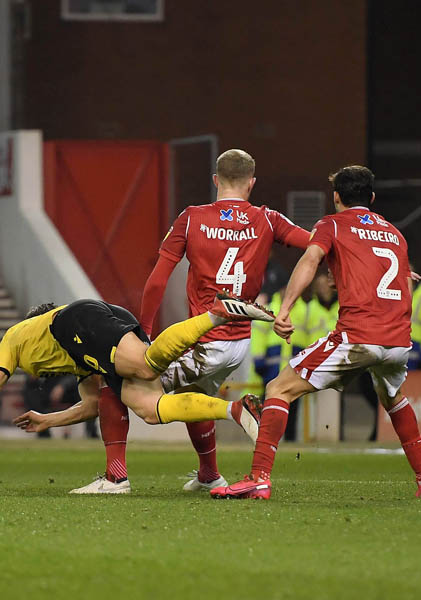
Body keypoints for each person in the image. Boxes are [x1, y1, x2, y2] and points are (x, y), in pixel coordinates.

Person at [72, 148, 311, 494]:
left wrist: (145, 332)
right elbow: (318, 245)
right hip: (239, 343)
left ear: (215, 180)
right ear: (251, 183)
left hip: (205, 340)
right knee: (193, 395)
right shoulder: (268, 218)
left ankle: (115, 478)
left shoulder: (191, 218)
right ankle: (209, 475)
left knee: (114, 380)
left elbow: (157, 280)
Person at [211, 165, 421, 500]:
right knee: (393, 398)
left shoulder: (331, 224)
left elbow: (309, 261)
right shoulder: (395, 234)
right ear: (372, 197)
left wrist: (285, 309)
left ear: (336, 197)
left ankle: (259, 479)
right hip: (397, 340)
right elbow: (402, 285)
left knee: (278, 388)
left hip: (358, 336)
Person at [0, 294, 274, 449]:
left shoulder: (15, 336)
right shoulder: (74, 356)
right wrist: (47, 420)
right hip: (93, 329)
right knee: (150, 409)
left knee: (145, 366)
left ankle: (217, 313)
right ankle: (236, 410)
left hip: (79, 320)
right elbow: (92, 405)